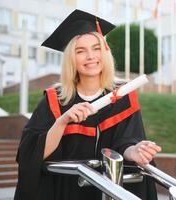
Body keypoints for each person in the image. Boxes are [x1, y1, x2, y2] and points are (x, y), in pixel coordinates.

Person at [14, 9, 161, 200]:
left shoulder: (123, 96)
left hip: (110, 190)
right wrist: (62, 121)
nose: (91, 56)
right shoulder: (55, 100)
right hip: (66, 192)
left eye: (96, 48)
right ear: (71, 59)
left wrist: (135, 151)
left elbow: (126, 141)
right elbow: (31, 153)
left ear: (105, 51)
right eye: (80, 51)